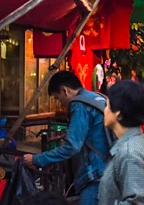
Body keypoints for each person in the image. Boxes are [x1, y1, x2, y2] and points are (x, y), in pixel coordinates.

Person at [24, 71, 109, 205]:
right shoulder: (96, 97)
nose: (61, 104)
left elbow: (72, 146)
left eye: (58, 98)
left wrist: (37, 159)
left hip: (94, 174)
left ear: (65, 90)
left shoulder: (79, 105)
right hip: (107, 170)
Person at [98, 80, 144, 204]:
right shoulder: (136, 142)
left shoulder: (130, 152)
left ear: (118, 113)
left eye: (107, 105)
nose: (105, 110)